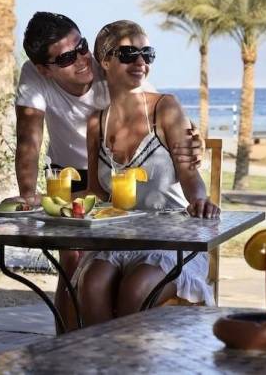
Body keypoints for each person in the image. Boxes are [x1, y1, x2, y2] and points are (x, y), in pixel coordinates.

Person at [15, 12, 203, 329]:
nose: (81, 59)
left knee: (109, 275)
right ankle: (69, 345)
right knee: (72, 262)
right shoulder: (35, 76)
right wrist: (28, 196)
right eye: (67, 58)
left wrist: (194, 141)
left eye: (82, 47)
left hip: (120, 177)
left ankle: (110, 344)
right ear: (44, 68)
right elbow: (28, 142)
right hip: (72, 175)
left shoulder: (114, 66)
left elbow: (161, 116)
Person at [76, 20, 220, 325]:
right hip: (120, 238)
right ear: (105, 61)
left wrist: (200, 200)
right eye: (128, 54)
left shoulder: (165, 108)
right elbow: (96, 192)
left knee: (136, 288)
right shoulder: (96, 123)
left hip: (171, 239)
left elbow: (190, 174)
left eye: (147, 53)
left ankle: (131, 354)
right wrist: (46, 204)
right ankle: (102, 354)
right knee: (91, 284)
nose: (140, 61)